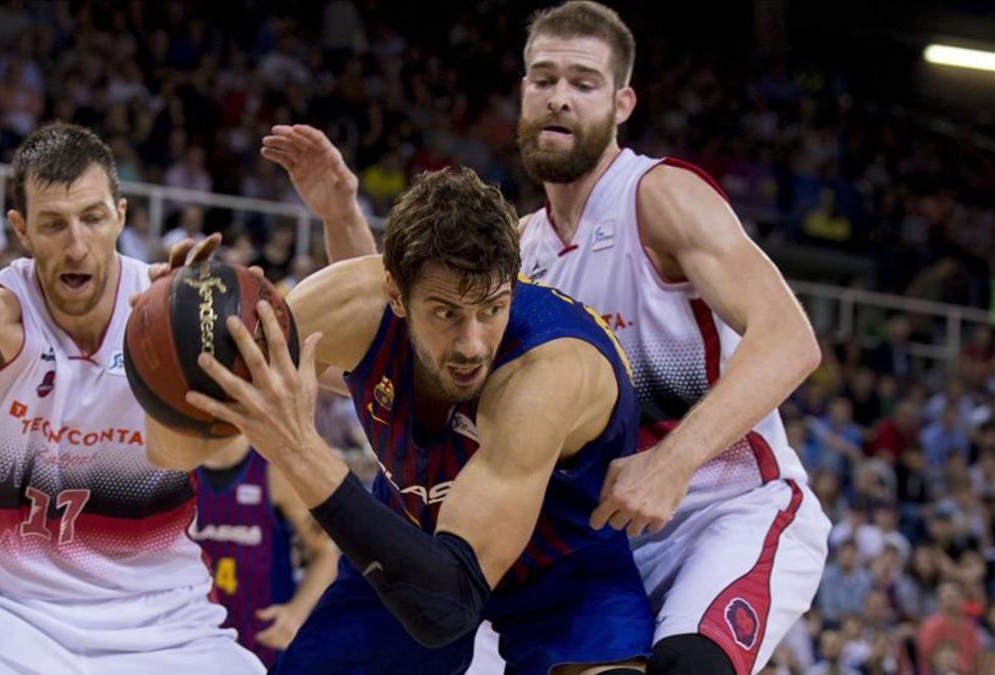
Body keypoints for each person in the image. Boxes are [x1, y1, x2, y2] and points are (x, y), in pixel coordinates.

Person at [263, 4, 832, 673]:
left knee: (688, 666)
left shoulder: (659, 197)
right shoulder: (518, 252)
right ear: (523, 94)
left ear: (623, 103)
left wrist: (673, 460)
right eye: (544, 79)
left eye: (583, 83)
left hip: (721, 508)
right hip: (598, 538)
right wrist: (341, 215)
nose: (559, 97)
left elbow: (791, 338)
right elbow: (388, 341)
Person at [156, 167, 654, 674]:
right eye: (445, 313)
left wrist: (299, 449)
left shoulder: (545, 375)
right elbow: (173, 451)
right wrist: (172, 344)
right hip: (411, 540)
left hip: (562, 565)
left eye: (492, 308)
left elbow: (447, 607)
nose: (472, 343)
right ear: (394, 294)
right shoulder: (346, 305)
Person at [0, 123, 263, 673]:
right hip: (4, 609)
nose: (77, 244)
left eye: (92, 218)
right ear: (21, 230)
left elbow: (221, 455)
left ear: (121, 216)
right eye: (54, 225)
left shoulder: (167, 312)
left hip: (158, 613)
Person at [194, 435, 339, 667]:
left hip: (262, 638)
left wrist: (298, 612)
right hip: (196, 636)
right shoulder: (176, 472)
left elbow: (325, 552)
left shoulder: (275, 472)